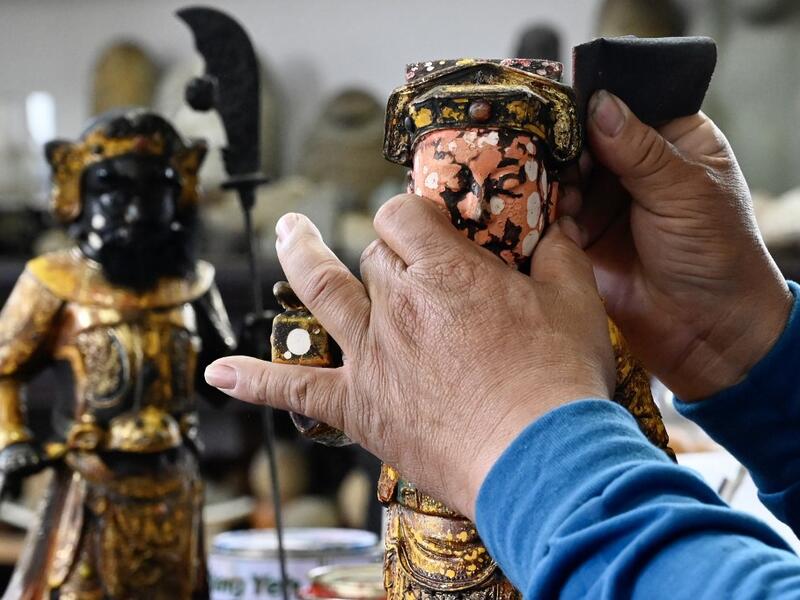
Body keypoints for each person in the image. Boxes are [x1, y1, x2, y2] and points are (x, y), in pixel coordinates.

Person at [204, 90, 800, 596]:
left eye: (506, 184)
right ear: (411, 186)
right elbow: (345, 421)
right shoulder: (411, 312)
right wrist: (742, 341)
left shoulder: (583, 317)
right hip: (422, 550)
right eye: (450, 183)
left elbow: (645, 438)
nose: (477, 207)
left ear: (547, 198)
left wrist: (523, 436)